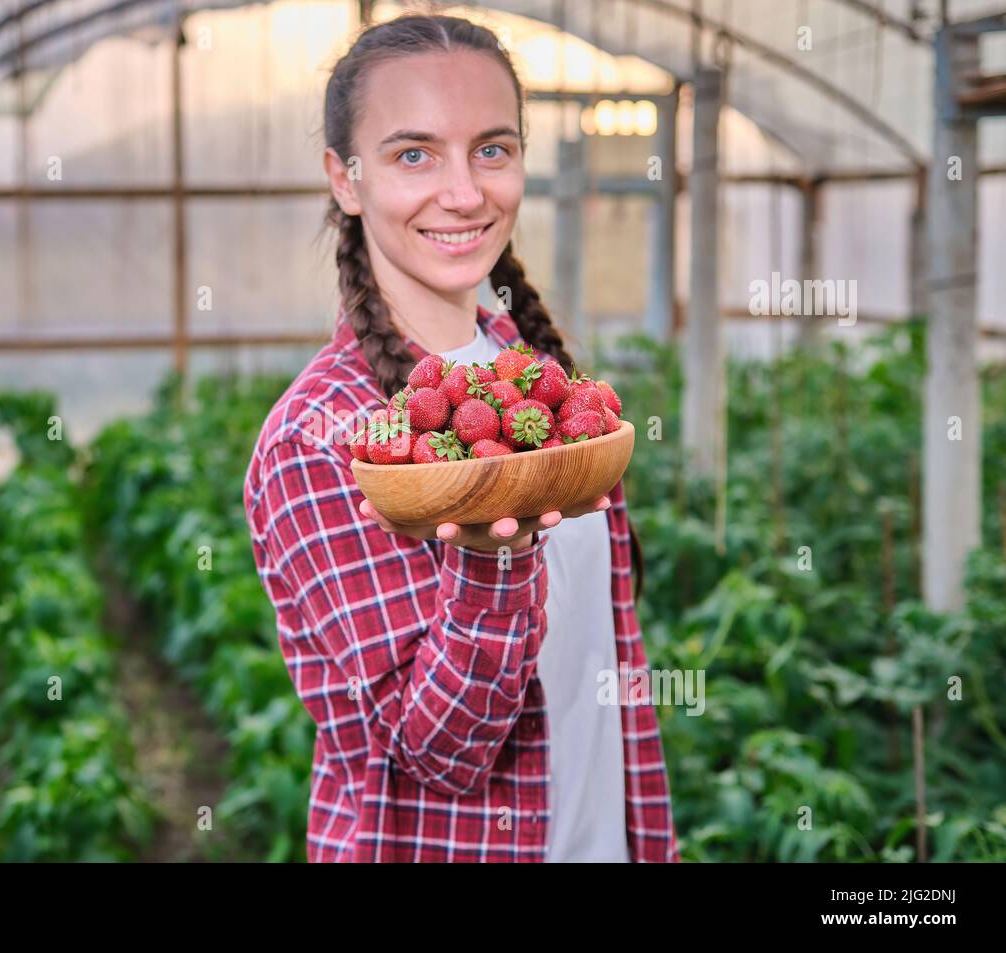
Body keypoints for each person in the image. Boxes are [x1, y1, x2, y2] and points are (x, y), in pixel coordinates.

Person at [243, 12, 679, 862]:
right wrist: (491, 552)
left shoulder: (530, 377)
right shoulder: (321, 437)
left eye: (492, 148)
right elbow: (440, 752)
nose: (466, 191)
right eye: (414, 154)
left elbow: (603, 650)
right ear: (346, 178)